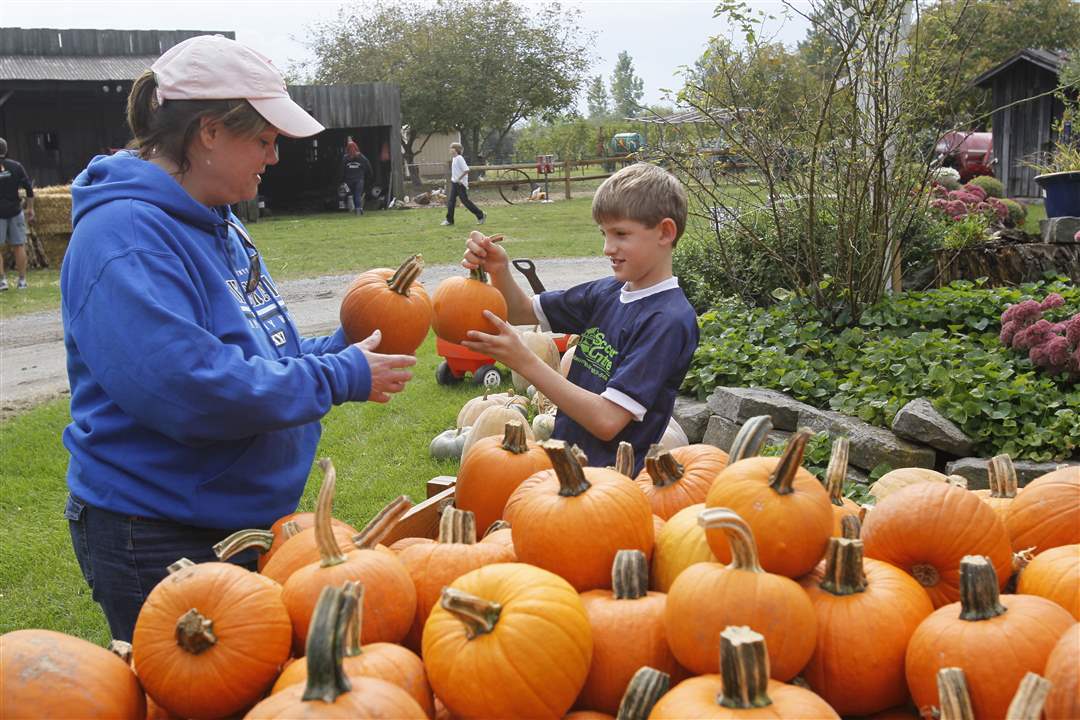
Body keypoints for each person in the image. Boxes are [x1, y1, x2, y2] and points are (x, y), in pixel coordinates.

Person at [60, 34, 416, 642]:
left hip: (233, 521)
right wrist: (340, 376)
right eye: (265, 140)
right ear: (209, 132)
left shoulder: (220, 222)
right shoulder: (124, 237)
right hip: (158, 528)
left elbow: (257, 355)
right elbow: (191, 389)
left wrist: (341, 347)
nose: (273, 158)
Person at [460, 162, 698, 474]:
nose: (607, 248)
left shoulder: (667, 320)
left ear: (665, 232)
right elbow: (520, 311)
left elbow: (607, 421)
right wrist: (498, 270)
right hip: (569, 470)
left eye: (621, 234)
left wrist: (524, 361)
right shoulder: (607, 292)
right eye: (604, 233)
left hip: (612, 485)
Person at [0, 137, 35, 290]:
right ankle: (22, 281)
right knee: (19, 246)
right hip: (15, 210)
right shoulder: (16, 166)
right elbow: (29, 188)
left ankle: (2, 281)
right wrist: (30, 208)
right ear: (6, 150)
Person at [441, 142, 485, 226]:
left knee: (465, 202)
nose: (450, 150)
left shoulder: (459, 158)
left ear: (456, 150)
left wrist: (459, 179)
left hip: (460, 184)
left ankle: (481, 215)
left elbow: (466, 170)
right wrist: (454, 180)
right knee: (451, 202)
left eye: (451, 148)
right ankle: (449, 220)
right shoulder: (454, 158)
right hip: (455, 183)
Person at [342, 138, 372, 215]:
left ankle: (355, 208)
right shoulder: (362, 157)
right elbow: (368, 167)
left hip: (349, 180)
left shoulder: (345, 158)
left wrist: (342, 180)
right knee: (357, 194)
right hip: (359, 179)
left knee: (350, 194)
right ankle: (358, 209)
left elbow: (342, 170)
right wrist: (367, 176)